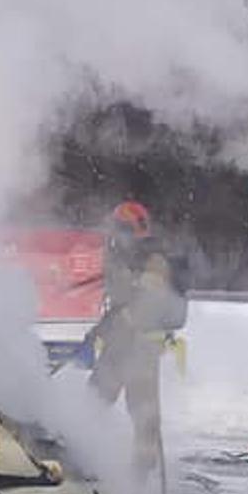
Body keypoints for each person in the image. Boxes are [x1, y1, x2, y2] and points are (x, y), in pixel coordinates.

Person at [87, 200, 187, 479]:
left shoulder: (153, 261)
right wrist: (107, 326)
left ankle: (141, 475)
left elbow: (148, 302)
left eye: (121, 229)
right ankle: (81, 455)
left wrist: (122, 321)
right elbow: (121, 299)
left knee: (143, 414)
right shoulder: (126, 257)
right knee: (94, 400)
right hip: (121, 347)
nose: (117, 236)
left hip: (141, 349)